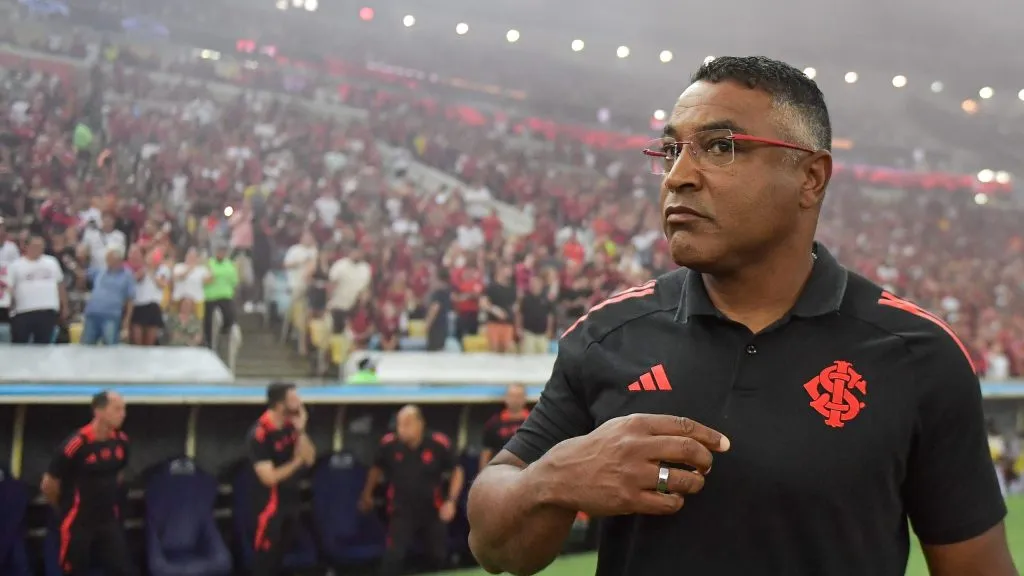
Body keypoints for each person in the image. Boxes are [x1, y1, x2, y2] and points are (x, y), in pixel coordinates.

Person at [466, 56, 1017, 576]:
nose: (677, 175)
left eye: (721, 146)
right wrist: (553, 480)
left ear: (810, 178)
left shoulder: (917, 353)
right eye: (670, 150)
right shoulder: (608, 336)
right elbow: (494, 546)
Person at [360, 405, 463, 576]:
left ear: (420, 424)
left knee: (437, 556)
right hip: (401, 509)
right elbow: (376, 469)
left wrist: (451, 501)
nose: (402, 429)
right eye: (400, 424)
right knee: (394, 555)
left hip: (433, 508)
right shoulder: (389, 444)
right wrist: (367, 494)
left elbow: (457, 470)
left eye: (407, 424)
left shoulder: (438, 443)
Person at [40, 390, 134, 576]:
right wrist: (64, 508)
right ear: (98, 412)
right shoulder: (77, 443)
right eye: (117, 409)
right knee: (74, 570)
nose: (122, 414)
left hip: (108, 520)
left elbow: (119, 474)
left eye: (124, 409)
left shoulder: (122, 442)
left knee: (122, 568)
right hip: (78, 521)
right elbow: (49, 483)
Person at [247, 382, 316, 576]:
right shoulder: (260, 434)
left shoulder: (291, 428)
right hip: (268, 508)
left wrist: (301, 431)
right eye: (294, 399)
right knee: (265, 562)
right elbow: (269, 478)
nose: (300, 403)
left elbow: (309, 458)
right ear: (279, 405)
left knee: (281, 559)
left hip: (290, 503)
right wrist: (295, 463)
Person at [8, 235, 67, 343]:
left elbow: (60, 285)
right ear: (26, 247)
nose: (38, 249)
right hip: (23, 311)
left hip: (47, 310)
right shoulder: (16, 265)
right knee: (20, 345)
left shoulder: (52, 262)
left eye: (41, 246)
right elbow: (10, 288)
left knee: (43, 345)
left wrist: (64, 306)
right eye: (35, 246)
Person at [81, 247, 135, 346]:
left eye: (112, 260)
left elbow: (130, 299)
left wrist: (126, 321)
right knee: (86, 346)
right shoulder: (99, 271)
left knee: (110, 348)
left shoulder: (127, 275)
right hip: (92, 314)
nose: (109, 263)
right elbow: (83, 276)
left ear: (120, 261)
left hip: (111, 316)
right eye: (108, 260)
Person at [479, 383, 529, 470]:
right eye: (512, 396)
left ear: (524, 398)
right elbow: (486, 453)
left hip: (527, 472)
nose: (515, 399)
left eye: (518, 396)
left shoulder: (533, 421)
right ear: (506, 398)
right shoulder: (493, 423)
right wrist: (482, 474)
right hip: (500, 472)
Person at [203, 243, 239, 349]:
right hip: (211, 296)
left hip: (225, 295)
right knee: (208, 321)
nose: (221, 253)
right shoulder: (209, 263)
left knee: (230, 315)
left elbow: (234, 280)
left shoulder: (230, 265)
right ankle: (209, 343)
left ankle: (224, 333)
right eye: (219, 251)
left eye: (223, 251)